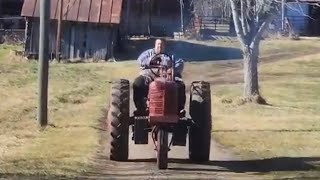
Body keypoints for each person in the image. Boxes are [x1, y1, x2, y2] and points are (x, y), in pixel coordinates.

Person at [133, 38, 186, 116]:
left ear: (164, 46)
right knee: (138, 83)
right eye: (158, 44)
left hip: (167, 77)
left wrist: (172, 69)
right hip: (149, 76)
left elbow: (180, 62)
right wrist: (150, 62)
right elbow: (140, 60)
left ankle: (179, 109)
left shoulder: (170, 54)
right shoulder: (148, 53)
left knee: (180, 85)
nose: (159, 46)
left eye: (161, 45)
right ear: (155, 45)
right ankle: (141, 108)